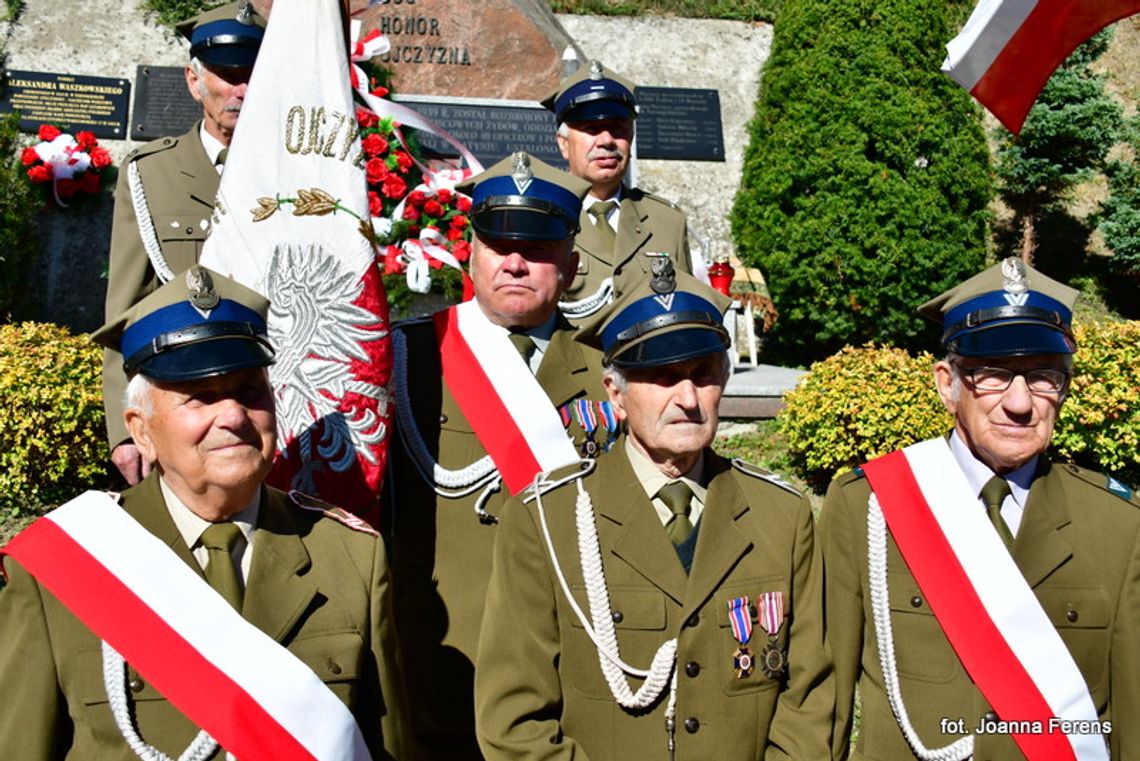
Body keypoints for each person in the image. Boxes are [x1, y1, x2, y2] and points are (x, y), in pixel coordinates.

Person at [0, 266, 414, 760]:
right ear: (142, 429)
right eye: (201, 397)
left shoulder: (349, 555)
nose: (235, 417)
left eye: (250, 391)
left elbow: (387, 747)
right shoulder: (63, 566)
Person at [474, 260, 834, 759]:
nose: (688, 398)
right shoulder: (547, 521)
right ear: (615, 395)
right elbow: (514, 723)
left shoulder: (781, 516)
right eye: (663, 378)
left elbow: (811, 701)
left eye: (703, 375)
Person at [821, 257, 1140, 760]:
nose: (1020, 402)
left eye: (1042, 377)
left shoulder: (1118, 525)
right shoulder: (867, 507)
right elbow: (825, 704)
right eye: (993, 375)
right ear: (946, 383)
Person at [384, 151, 614, 759]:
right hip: (443, 654)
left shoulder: (611, 371)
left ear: (570, 263)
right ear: (472, 252)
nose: (515, 262)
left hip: (570, 657)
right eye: (498, 244)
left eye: (537, 249)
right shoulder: (405, 360)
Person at [103, 1, 265, 485]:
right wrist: (124, 429)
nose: (240, 89)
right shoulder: (151, 173)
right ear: (195, 81)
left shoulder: (307, 177)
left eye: (252, 74)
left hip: (279, 404)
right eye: (225, 73)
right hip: (189, 409)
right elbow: (125, 312)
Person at [541, 59, 693, 321]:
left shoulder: (667, 221)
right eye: (592, 129)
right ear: (563, 144)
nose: (607, 140)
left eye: (617, 129)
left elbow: (685, 315)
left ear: (631, 139)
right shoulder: (542, 215)